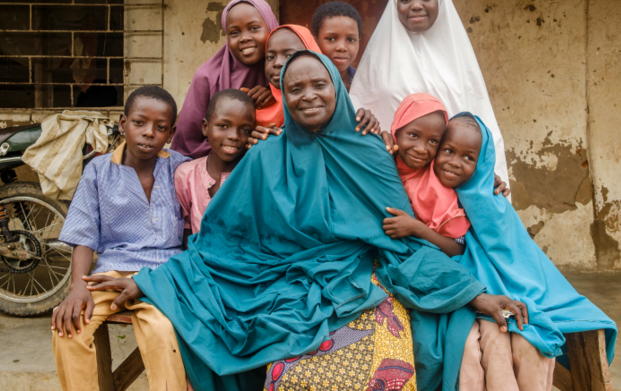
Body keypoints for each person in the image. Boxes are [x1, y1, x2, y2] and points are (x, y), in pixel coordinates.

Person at [84, 50, 528, 391]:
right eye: (295, 89)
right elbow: (219, 244)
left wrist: (475, 295)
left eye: (319, 84)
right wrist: (148, 282)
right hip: (278, 286)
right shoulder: (262, 159)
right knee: (286, 367)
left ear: (337, 88)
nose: (308, 95)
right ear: (284, 97)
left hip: (356, 283)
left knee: (375, 362)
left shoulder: (369, 152)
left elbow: (401, 241)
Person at [394, 110, 618, 390]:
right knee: (481, 347)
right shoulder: (429, 187)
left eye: (468, 158)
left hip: (503, 290)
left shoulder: (491, 198)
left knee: (524, 340)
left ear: (482, 162)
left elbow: (511, 257)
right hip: (468, 289)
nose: (453, 163)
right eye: (448, 151)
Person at [51, 86, 191, 391]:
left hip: (163, 277)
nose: (148, 133)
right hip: (110, 274)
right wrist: (77, 287)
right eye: (139, 122)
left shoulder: (182, 168)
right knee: (69, 328)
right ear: (122, 122)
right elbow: (84, 235)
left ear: (171, 133)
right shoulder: (99, 172)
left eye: (160, 127)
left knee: (163, 330)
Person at [349, 0, 510, 185]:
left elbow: (480, 121)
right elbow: (358, 111)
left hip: (449, 185)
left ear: (440, 0)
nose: (416, 5)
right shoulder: (378, 56)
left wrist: (490, 174)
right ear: (395, 2)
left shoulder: (458, 57)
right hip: (391, 179)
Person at [171, 0, 279, 159]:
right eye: (234, 32)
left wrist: (277, 92)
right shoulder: (207, 77)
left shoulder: (286, 71)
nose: (245, 38)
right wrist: (241, 143)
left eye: (254, 28)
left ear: (271, 27)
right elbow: (187, 146)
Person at [249, 24, 380, 144]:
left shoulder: (329, 105)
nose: (277, 63)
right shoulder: (256, 106)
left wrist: (366, 123)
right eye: (270, 57)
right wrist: (251, 140)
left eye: (289, 56)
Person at [382, 93, 468, 257]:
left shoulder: (439, 186)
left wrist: (417, 229)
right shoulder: (382, 159)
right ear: (396, 131)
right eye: (413, 135)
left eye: (433, 141)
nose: (421, 149)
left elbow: (458, 249)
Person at [175, 89, 255, 237]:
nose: (234, 136)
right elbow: (185, 229)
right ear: (206, 127)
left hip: (245, 257)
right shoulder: (186, 175)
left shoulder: (255, 176)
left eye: (245, 129)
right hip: (199, 257)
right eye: (223, 126)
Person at [311, 0, 362, 92]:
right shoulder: (304, 83)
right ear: (315, 42)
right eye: (331, 39)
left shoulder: (365, 83)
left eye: (351, 40)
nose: (342, 47)